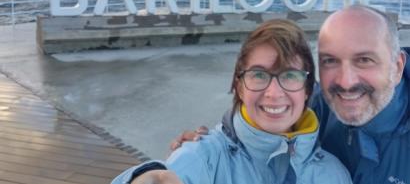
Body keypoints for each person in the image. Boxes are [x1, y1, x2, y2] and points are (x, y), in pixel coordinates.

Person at [170, 5, 410, 184]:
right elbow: (256, 123)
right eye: (330, 61)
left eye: (364, 60)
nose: (345, 81)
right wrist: (206, 142)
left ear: (398, 66)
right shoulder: (320, 108)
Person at [111, 19, 352, 184]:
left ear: (308, 89)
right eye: (259, 75)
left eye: (289, 75)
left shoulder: (333, 174)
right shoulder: (206, 157)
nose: (274, 92)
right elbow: (174, 174)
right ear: (239, 85)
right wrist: (144, 176)